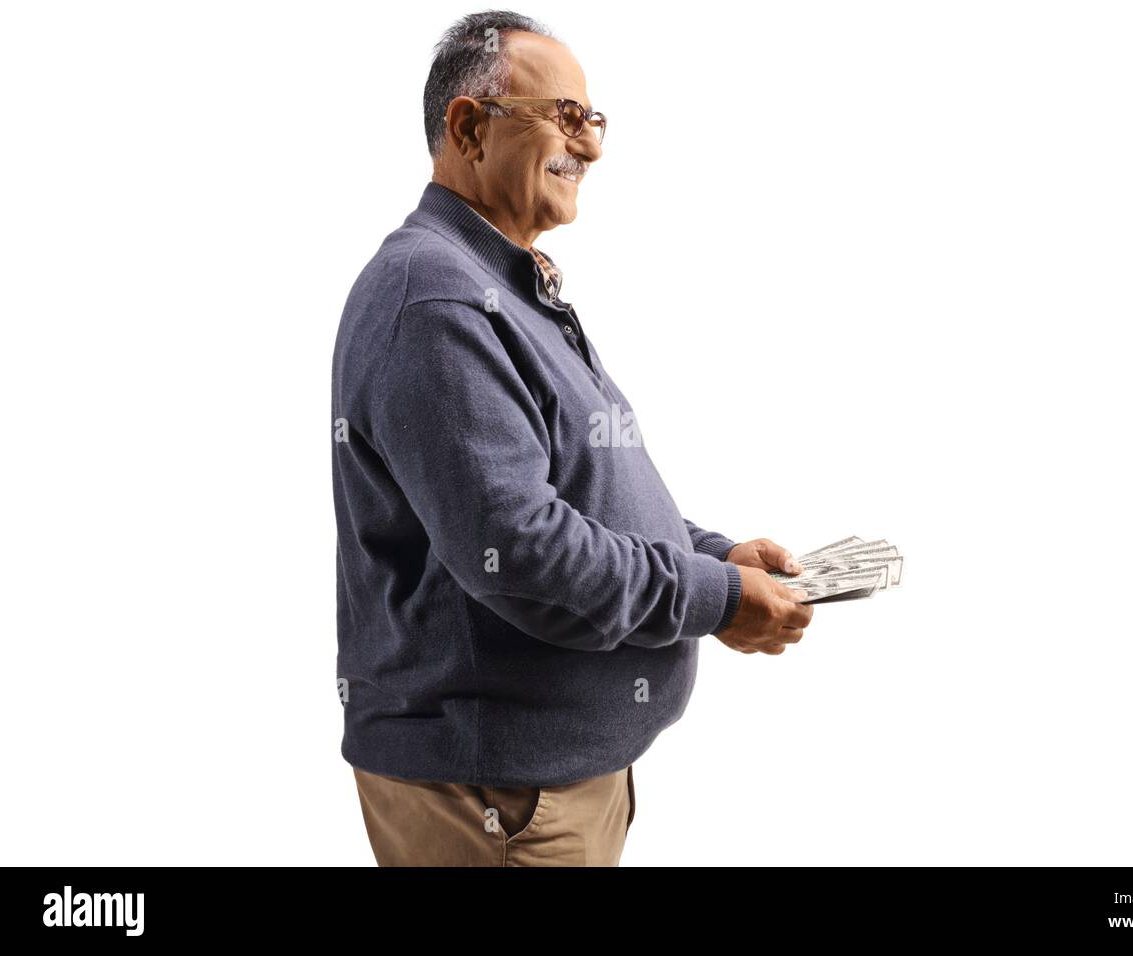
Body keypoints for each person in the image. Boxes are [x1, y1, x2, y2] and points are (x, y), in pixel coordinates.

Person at [331, 11, 813, 867]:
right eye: (564, 115)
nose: (589, 146)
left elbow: (577, 490)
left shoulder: (501, 285)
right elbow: (518, 549)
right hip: (499, 800)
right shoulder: (438, 299)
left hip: (546, 786)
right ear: (469, 128)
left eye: (593, 119)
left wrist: (717, 555)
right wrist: (714, 596)